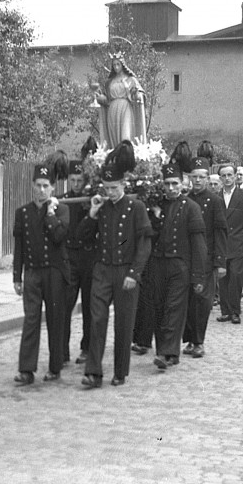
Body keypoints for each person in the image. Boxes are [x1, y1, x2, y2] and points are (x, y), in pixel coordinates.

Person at [77, 142, 151, 387]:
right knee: (97, 319)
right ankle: (94, 372)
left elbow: (144, 244)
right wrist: (92, 213)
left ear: (123, 185)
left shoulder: (136, 207)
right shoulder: (102, 208)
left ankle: (120, 371)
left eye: (114, 188)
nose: (110, 193)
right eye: (106, 188)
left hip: (126, 271)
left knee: (123, 322)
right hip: (103, 270)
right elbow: (81, 237)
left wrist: (135, 273)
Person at [134, 143, 207, 370]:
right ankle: (168, 353)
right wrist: (153, 217)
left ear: (182, 184)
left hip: (180, 266)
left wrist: (198, 277)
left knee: (174, 309)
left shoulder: (191, 207)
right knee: (158, 307)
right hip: (157, 265)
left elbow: (199, 246)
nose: (171, 188)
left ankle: (167, 353)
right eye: (167, 184)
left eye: (175, 183)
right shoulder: (156, 206)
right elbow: (147, 237)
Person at [12, 163, 69, 384]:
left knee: (55, 320)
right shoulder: (23, 213)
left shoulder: (62, 210)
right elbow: (19, 248)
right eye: (38, 185)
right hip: (33, 273)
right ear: (32, 186)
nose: (42, 190)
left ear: (53, 188)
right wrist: (17, 276)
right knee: (31, 319)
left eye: (46, 186)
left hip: (54, 273)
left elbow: (58, 237)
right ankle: (26, 369)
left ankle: (55, 367)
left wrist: (51, 213)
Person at [183, 162, 227, 357]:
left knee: (203, 301)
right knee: (188, 301)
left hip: (207, 259)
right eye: (194, 177)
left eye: (202, 177)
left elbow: (220, 232)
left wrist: (220, 261)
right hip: (186, 259)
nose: (198, 180)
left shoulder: (215, 201)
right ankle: (190, 339)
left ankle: (199, 341)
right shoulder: (185, 200)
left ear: (208, 179)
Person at [61, 159, 95, 366]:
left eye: (79, 180)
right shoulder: (63, 200)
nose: (76, 184)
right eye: (72, 180)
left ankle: (87, 348)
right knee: (64, 306)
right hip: (69, 259)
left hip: (89, 257)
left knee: (90, 307)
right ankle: (62, 350)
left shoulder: (91, 200)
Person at [216, 163, 243, 324]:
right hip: (221, 243)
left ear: (235, 176)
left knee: (236, 277)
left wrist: (241, 234)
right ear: (220, 178)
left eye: (229, 175)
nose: (227, 178)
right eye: (223, 176)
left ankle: (235, 311)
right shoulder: (216, 197)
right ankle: (225, 311)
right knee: (223, 277)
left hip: (239, 240)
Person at [93, 56, 145, 149]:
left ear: (123, 65)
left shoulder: (131, 79)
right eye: (114, 65)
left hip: (125, 109)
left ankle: (127, 156)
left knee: (126, 136)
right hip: (112, 111)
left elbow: (139, 93)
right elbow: (107, 99)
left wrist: (137, 95)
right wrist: (101, 98)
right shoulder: (109, 82)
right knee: (114, 139)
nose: (116, 67)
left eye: (118, 64)